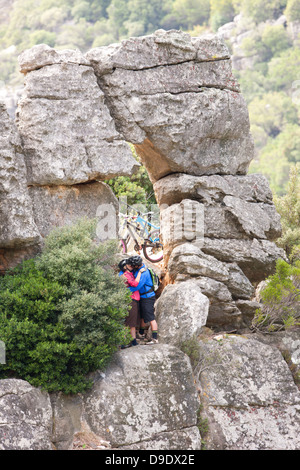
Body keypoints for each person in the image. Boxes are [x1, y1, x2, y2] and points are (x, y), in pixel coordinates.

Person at [127, 256, 158, 345]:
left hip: (148, 297)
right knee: (142, 316)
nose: (132, 266)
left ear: (136, 265)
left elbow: (138, 286)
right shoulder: (138, 270)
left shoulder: (144, 273)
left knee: (150, 317)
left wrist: (126, 291)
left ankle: (155, 338)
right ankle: (141, 333)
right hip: (142, 297)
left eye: (133, 265)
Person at [118, 258, 146, 348]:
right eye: (129, 265)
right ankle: (125, 341)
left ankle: (133, 340)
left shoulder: (129, 274)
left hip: (133, 299)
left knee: (132, 322)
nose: (131, 266)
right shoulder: (126, 275)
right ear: (125, 267)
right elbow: (135, 284)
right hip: (131, 299)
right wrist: (141, 273)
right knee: (129, 322)